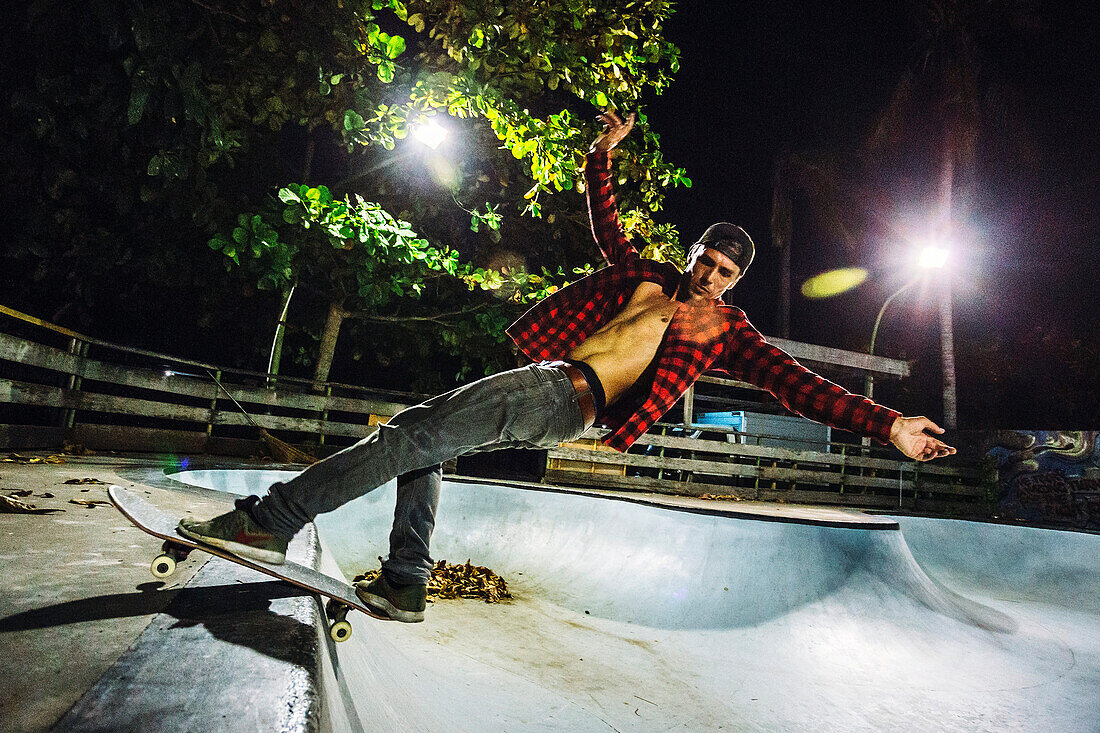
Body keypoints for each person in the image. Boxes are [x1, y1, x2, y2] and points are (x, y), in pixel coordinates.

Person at [179, 112, 955, 623]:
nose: (710, 276)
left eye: (725, 273)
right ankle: (407, 580)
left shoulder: (726, 330)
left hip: (566, 397)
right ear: (691, 251)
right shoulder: (646, 275)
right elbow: (604, 224)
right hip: (551, 377)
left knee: (404, 436)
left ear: (735, 284)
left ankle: (270, 520)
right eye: (706, 260)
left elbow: (797, 383)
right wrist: (599, 156)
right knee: (425, 442)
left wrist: (886, 421)